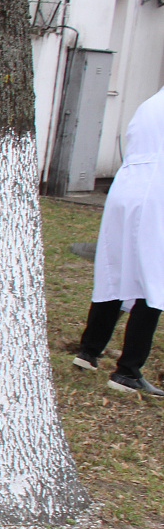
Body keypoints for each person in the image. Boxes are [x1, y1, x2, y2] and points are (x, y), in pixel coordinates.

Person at [72, 86, 164, 396]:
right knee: (153, 279)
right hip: (157, 191)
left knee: (115, 268)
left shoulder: (150, 104)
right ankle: (128, 370)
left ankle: (89, 351)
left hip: (126, 186)